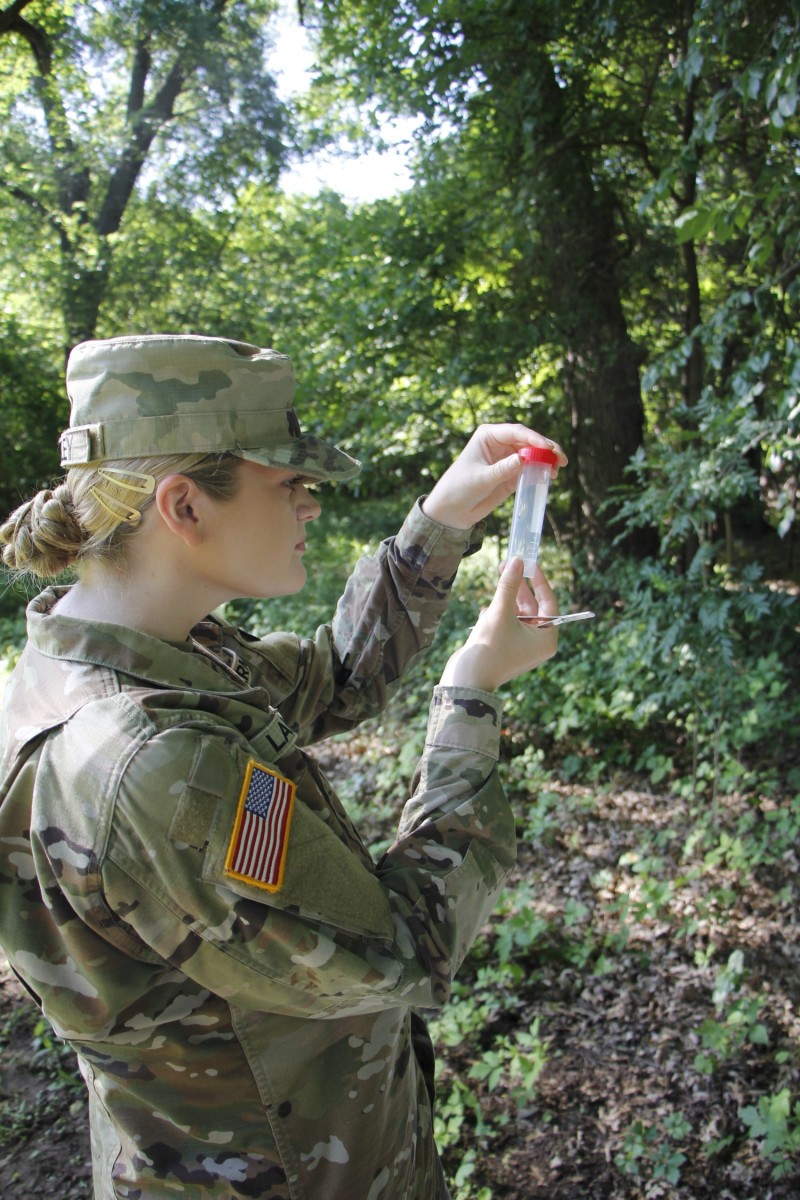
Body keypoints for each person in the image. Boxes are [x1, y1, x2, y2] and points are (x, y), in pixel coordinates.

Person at [0, 333, 564, 1200]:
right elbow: (407, 946)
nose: (309, 505)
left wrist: (442, 521)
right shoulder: (152, 766)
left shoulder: (129, 657)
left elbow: (335, 676)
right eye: (288, 483)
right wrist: (472, 691)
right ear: (184, 506)